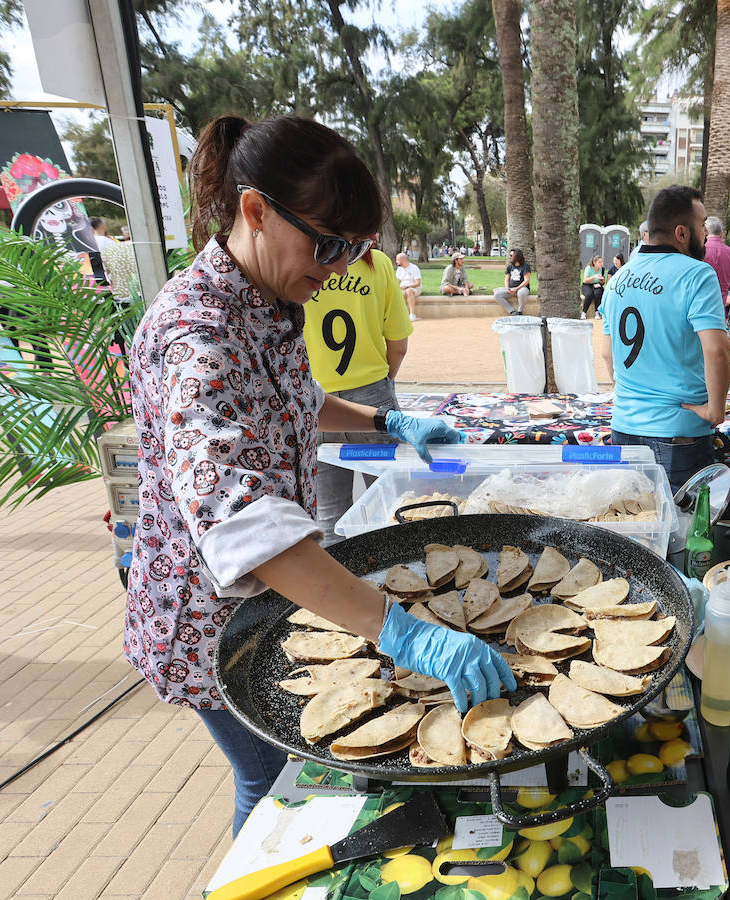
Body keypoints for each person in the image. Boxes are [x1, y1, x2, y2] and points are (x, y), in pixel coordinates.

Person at [125, 114, 510, 835]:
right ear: (255, 210)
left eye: (354, 249)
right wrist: (404, 633)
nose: (336, 267)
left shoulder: (268, 299)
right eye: (326, 243)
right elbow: (245, 526)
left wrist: (383, 422)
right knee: (268, 780)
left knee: (282, 774)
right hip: (209, 620)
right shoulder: (195, 338)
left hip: (267, 602)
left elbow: (294, 401)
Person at [601, 185, 730, 489]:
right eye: (702, 226)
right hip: (678, 434)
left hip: (624, 427)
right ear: (682, 233)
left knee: (637, 526)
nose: (705, 234)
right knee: (683, 532)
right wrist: (716, 409)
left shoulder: (617, 279)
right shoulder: (697, 275)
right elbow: (718, 351)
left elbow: (608, 354)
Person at [305, 246, 412, 544]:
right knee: (395, 509)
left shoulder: (302, 262)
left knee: (329, 519)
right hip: (374, 400)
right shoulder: (376, 263)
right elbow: (398, 344)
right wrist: (382, 385)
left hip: (316, 403)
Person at [703, 216, 730, 303]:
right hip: (720, 307)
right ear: (722, 233)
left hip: (700, 305)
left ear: (705, 231)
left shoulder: (699, 250)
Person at [493, 248, 532, 314]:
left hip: (522, 288)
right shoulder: (510, 267)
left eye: (511, 255)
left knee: (521, 293)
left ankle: (520, 311)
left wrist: (516, 289)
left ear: (517, 256)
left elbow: (526, 281)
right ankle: (512, 311)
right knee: (497, 294)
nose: (509, 257)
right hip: (511, 289)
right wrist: (507, 288)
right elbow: (507, 279)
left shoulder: (525, 266)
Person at [394, 252, 422, 321]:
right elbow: (397, 282)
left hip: (415, 288)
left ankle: (412, 315)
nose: (396, 261)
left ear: (402, 260)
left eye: (397, 260)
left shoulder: (414, 268)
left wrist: (407, 286)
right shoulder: (399, 269)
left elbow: (418, 283)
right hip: (403, 289)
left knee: (409, 291)